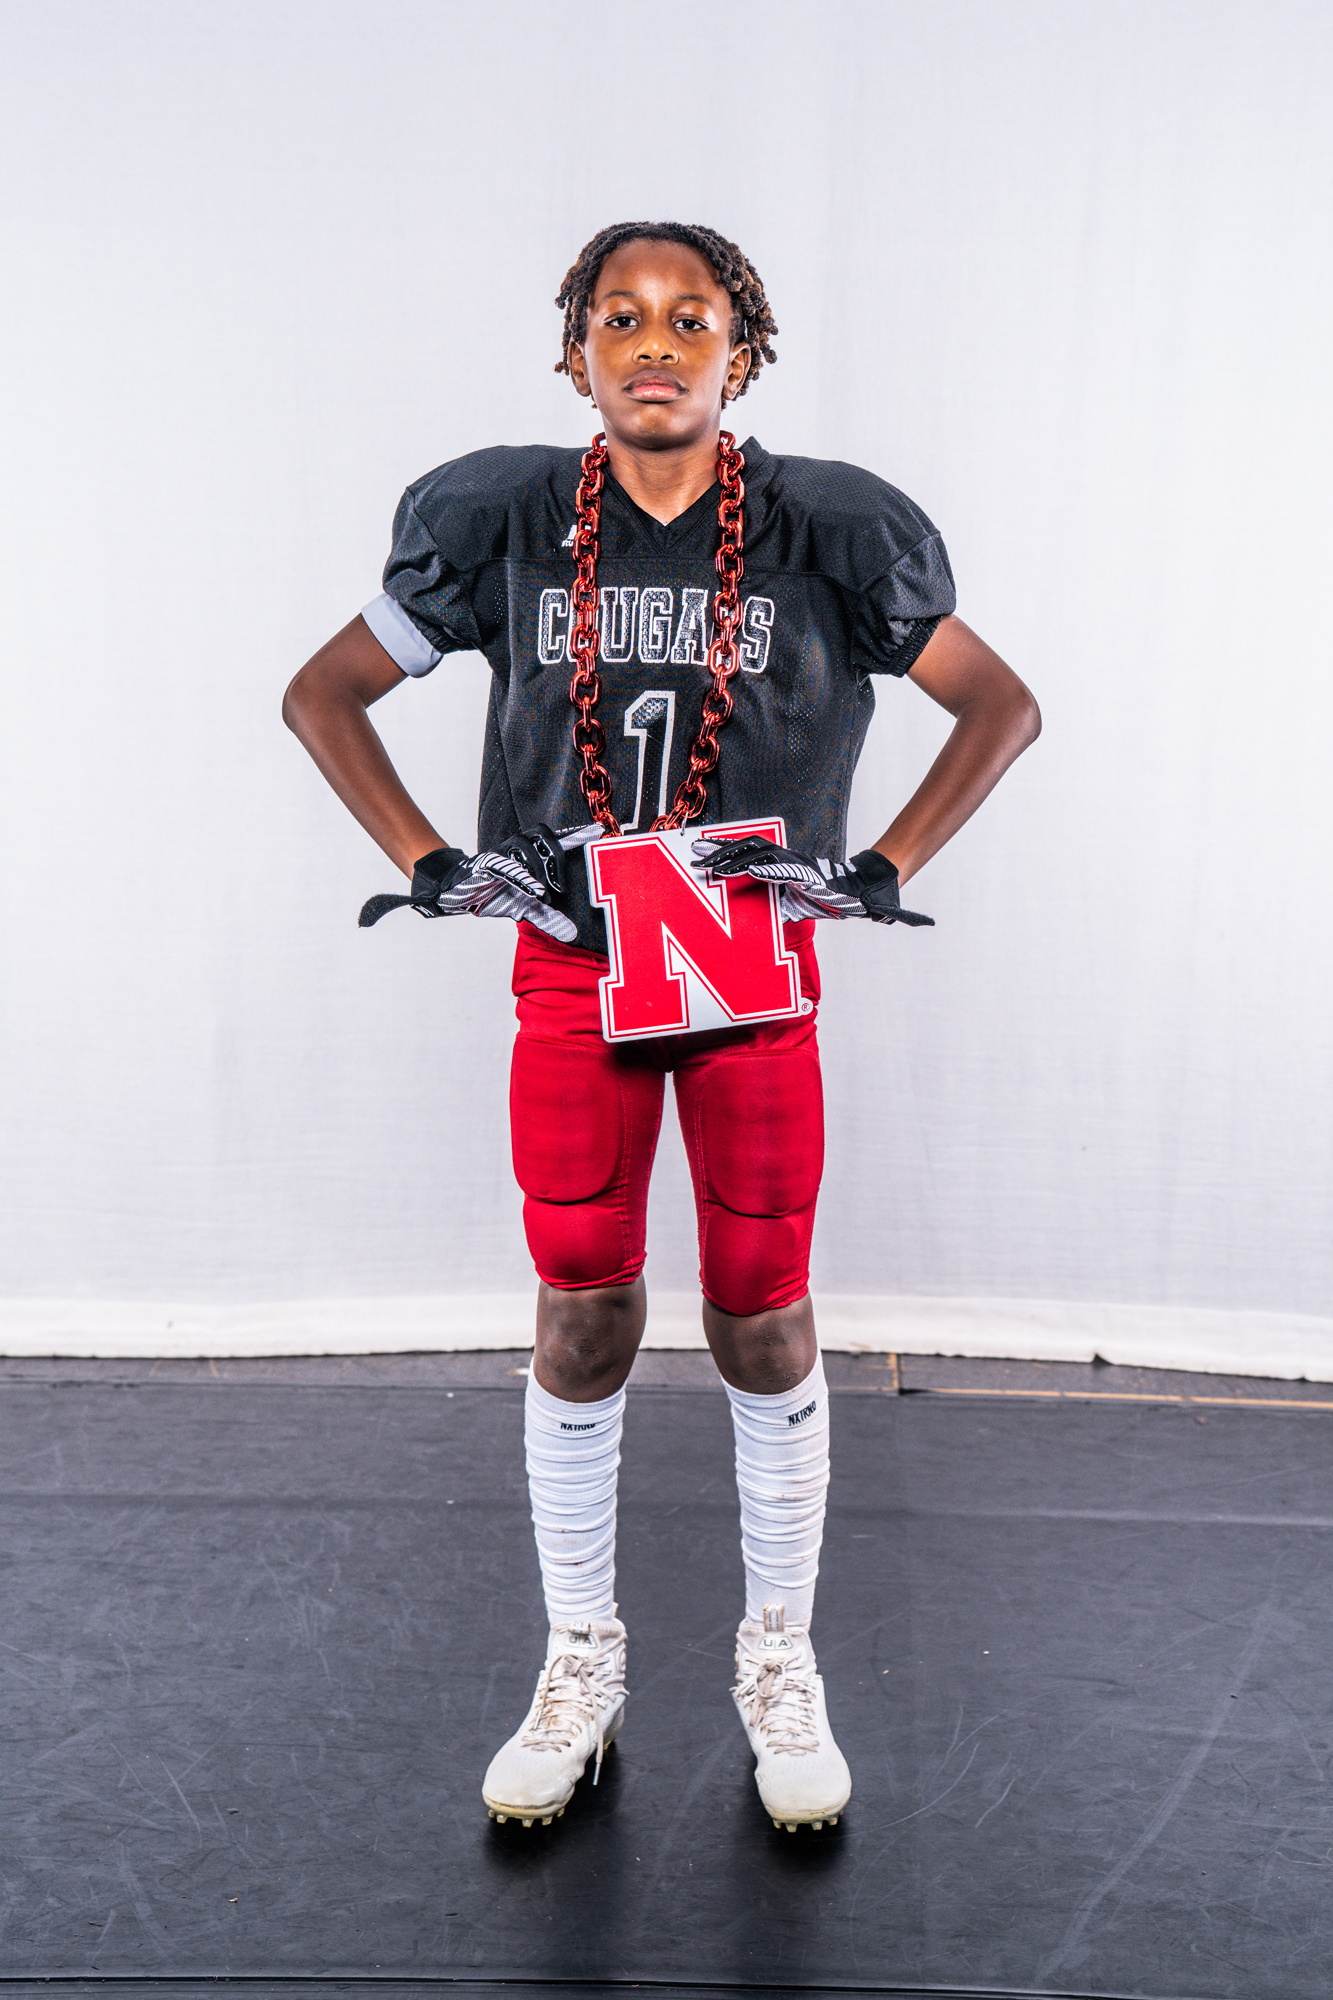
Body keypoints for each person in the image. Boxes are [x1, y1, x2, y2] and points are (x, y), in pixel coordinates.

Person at [283, 220, 1040, 1835]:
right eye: (618, 317)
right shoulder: (501, 519)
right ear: (573, 355)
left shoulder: (829, 526)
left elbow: (999, 703)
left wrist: (881, 867)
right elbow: (321, 692)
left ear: (740, 355)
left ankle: (778, 1655)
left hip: (746, 959)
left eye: (690, 319)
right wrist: (425, 858)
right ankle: (581, 1656)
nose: (652, 342)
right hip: (574, 954)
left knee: (761, 1306)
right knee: (581, 1301)